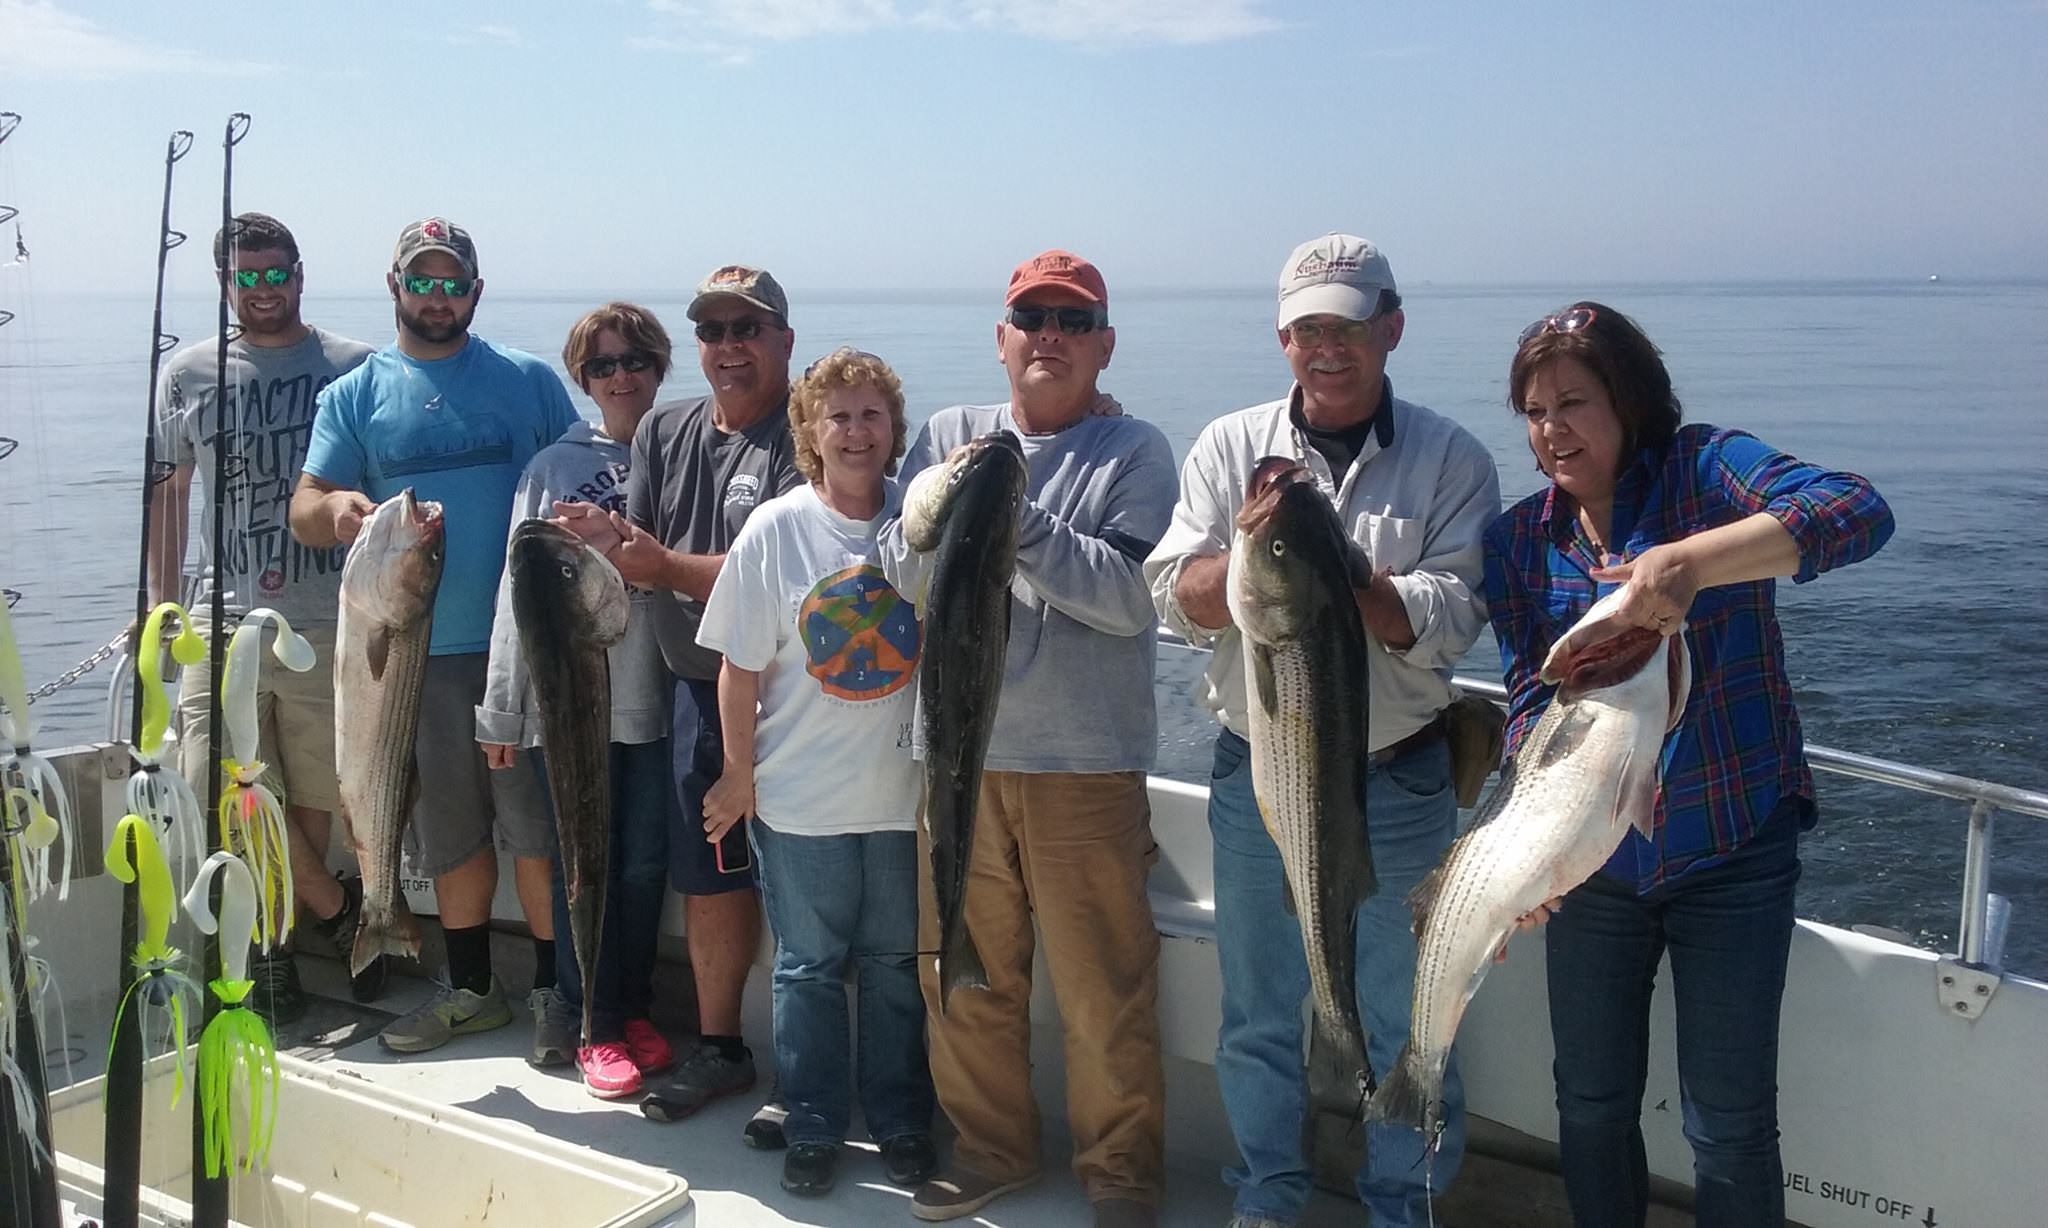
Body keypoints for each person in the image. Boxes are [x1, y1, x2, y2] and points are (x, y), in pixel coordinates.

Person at [1482, 302, 1892, 1227]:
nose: (1552, 432)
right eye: (1536, 412)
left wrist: (1692, 565)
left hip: (1734, 849)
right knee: (1588, 1105)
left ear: (1630, 402)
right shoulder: (1517, 544)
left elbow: (1856, 511)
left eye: (1574, 403)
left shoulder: (1707, 470)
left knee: (1729, 1125)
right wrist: (1530, 859)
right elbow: (1526, 708)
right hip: (1593, 865)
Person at [1144, 233, 1501, 1228]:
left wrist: (1351, 578)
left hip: (1399, 783)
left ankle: (1402, 1208)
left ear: (1389, 327)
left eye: (1346, 325)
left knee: (1408, 1023)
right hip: (1254, 774)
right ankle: (1267, 1198)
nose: (1326, 346)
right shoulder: (1227, 445)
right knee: (1256, 1012)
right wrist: (1247, 551)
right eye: (1306, 328)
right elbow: (1172, 594)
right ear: (1280, 336)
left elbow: (1453, 613)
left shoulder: (1450, 458)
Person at [878, 250, 1177, 1228]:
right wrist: (930, 511)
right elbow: (901, 576)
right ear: (1001, 337)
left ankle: (1121, 1172)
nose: (1048, 333)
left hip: (1080, 769)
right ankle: (989, 1149)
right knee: (957, 968)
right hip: (954, 758)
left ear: (1102, 344)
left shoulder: (1133, 450)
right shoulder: (945, 432)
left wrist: (1013, 511)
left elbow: (1128, 599)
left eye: (1071, 318)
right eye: (1029, 315)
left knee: (1102, 985)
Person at [289, 217, 579, 1057]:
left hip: (523, 650)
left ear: (476, 294)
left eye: (455, 284)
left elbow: (581, 476)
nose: (439, 297)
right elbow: (305, 508)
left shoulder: (527, 381)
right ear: (395, 288)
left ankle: (558, 996)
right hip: (412, 656)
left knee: (534, 826)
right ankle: (471, 989)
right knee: (449, 829)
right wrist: (339, 509)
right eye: (424, 281)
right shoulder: (353, 395)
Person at [555, 264, 801, 1140]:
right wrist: (604, 546)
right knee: (708, 877)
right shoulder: (663, 428)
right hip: (695, 690)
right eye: (713, 331)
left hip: (800, 698)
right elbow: (641, 552)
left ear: (783, 341)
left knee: (808, 881)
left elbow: (783, 574)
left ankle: (820, 1069)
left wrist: (662, 567)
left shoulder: (808, 430)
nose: (728, 347)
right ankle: (725, 1046)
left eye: (748, 329)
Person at [694, 347, 935, 1198]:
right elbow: (739, 666)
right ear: (810, 432)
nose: (857, 432)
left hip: (905, 801)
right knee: (805, 968)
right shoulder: (776, 528)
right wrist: (738, 773)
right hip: (798, 803)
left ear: (894, 429)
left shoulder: (921, 522)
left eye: (872, 415)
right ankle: (814, 1121)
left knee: (895, 966)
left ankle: (903, 1118)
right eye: (838, 416)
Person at [148, 211, 376, 1025]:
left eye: (277, 272)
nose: (264, 288)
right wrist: (162, 609)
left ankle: (283, 945)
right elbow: (168, 493)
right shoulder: (188, 372)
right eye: (247, 276)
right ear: (224, 284)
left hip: (327, 619)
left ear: (301, 274)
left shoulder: (356, 366)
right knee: (227, 785)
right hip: (223, 615)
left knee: (307, 796)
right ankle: (327, 909)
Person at [475, 303, 678, 1094]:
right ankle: (585, 1013)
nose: (621, 376)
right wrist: (500, 708)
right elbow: (514, 595)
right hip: (569, 709)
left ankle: (629, 1007)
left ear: (660, 367)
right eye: (602, 366)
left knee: (642, 866)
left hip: (660, 701)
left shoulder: (685, 449)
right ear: (582, 380)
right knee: (579, 865)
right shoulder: (553, 470)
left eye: (634, 361)